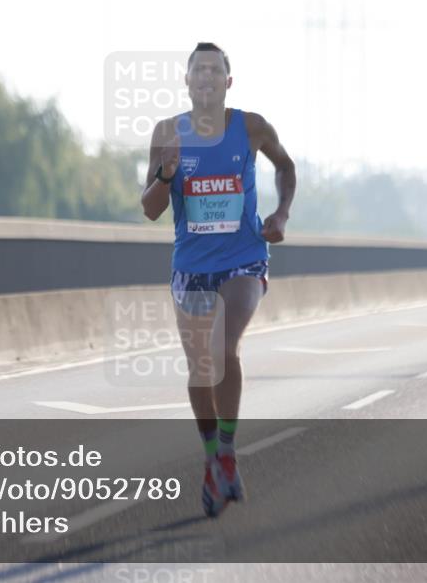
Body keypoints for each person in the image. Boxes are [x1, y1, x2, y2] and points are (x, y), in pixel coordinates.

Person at [140, 43, 295, 518]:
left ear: (228, 83)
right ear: (187, 81)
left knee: (223, 349)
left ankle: (226, 451)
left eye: (215, 71)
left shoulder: (251, 127)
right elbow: (150, 209)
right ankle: (213, 460)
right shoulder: (168, 133)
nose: (206, 77)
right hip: (191, 267)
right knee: (201, 370)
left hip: (243, 260)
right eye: (198, 71)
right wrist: (166, 173)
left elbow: (286, 167)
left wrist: (281, 214)